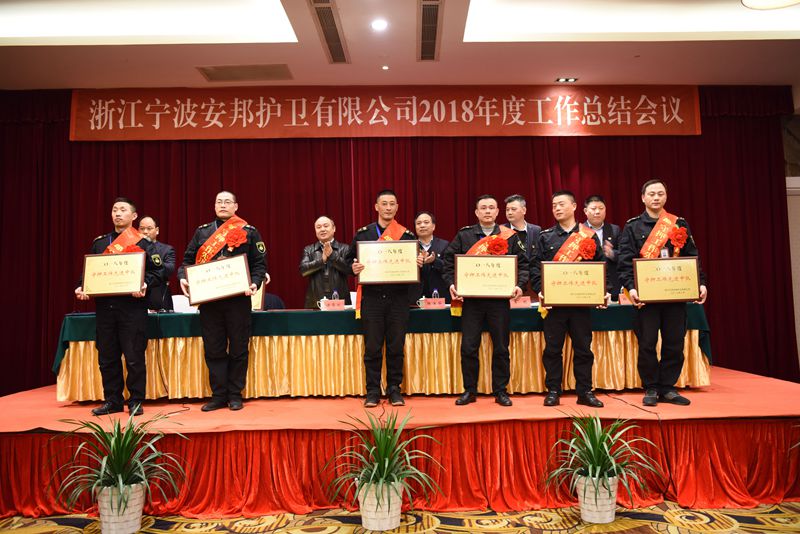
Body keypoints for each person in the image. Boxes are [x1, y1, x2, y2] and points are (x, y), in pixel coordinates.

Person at [617, 179, 707, 406]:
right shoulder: (632, 226)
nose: (656, 197)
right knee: (647, 343)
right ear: (643, 198)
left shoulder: (679, 223)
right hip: (646, 299)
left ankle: (668, 387)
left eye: (660, 193)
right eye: (651, 194)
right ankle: (651, 387)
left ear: (666, 196)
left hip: (675, 295)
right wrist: (632, 289)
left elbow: (692, 257)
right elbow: (625, 263)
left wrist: (701, 283)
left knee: (674, 342)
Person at [178, 191, 268, 412]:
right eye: (219, 202)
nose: (223, 205)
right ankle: (218, 396)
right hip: (209, 301)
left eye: (227, 202)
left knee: (238, 348)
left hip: (238, 300)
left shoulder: (249, 231)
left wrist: (255, 283)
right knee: (214, 348)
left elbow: (259, 264)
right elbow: (187, 260)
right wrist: (183, 277)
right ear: (214, 206)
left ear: (236, 206)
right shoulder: (202, 232)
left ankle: (235, 395)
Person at [74, 197, 163, 416]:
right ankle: (112, 401)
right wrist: (82, 286)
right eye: (115, 210)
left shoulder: (143, 242)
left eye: (123, 210)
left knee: (134, 357)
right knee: (107, 357)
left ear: (134, 216)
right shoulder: (100, 243)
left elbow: (159, 272)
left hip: (132, 309)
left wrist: (144, 283)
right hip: (106, 309)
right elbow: (90, 271)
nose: (118, 213)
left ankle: (135, 401)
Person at [442, 194, 529, 407]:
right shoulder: (464, 235)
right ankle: (469, 391)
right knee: (469, 347)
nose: (488, 211)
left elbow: (523, 265)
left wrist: (519, 285)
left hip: (499, 302)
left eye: (491, 207)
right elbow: (448, 263)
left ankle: (501, 391)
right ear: (476, 212)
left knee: (501, 347)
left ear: (498, 212)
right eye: (483, 208)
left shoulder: (510, 236)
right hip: (472, 302)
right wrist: (452, 284)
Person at [345, 189, 423, 408]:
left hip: (398, 299)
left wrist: (418, 264)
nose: (388, 208)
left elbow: (413, 267)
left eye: (392, 204)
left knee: (396, 347)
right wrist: (353, 267)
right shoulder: (363, 234)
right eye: (384, 204)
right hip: (372, 299)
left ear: (397, 207)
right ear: (376, 207)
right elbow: (348, 261)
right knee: (372, 347)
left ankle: (394, 389)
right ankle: (372, 391)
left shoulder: (407, 236)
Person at [531, 190, 608, 408]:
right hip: (554, 305)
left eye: (561, 204)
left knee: (583, 349)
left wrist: (602, 290)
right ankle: (553, 390)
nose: (557, 208)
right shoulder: (545, 237)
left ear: (574, 206)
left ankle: (585, 391)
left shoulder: (588, 236)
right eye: (554, 205)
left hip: (581, 304)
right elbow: (535, 268)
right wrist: (541, 290)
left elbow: (600, 265)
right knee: (552, 349)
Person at [299, 216, 352, 308]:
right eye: (318, 227)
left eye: (326, 226)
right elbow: (303, 270)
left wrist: (332, 255)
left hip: (339, 302)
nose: (322, 229)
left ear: (334, 228)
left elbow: (349, 269)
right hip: (315, 303)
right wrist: (321, 260)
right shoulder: (309, 249)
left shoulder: (345, 248)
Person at [583, 195, 622, 300]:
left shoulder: (614, 230)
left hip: (612, 284)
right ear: (585, 211)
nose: (597, 212)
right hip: (588, 283)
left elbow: (624, 255)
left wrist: (612, 253)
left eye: (601, 208)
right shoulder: (579, 231)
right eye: (593, 208)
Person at [138, 216, 175, 311]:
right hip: (138, 296)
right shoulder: (133, 249)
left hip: (159, 295)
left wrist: (153, 262)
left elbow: (169, 270)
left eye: (149, 228)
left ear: (157, 230)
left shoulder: (167, 249)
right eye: (142, 228)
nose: (145, 232)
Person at [414, 211, 450, 303]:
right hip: (416, 297)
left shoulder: (444, 245)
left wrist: (434, 261)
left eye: (426, 222)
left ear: (433, 226)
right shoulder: (410, 247)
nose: (422, 225)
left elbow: (449, 269)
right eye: (418, 223)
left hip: (440, 296)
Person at [504, 194, 542, 262]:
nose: (509, 212)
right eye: (507, 210)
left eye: (513, 209)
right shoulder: (502, 230)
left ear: (524, 210)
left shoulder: (536, 230)